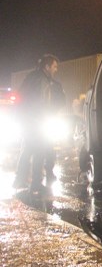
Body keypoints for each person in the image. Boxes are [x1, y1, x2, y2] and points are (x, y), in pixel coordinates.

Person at [13, 54, 66, 193]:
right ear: (47, 66)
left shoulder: (32, 77)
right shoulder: (42, 80)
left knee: (27, 150)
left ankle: (19, 180)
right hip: (37, 121)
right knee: (39, 151)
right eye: (54, 66)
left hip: (28, 121)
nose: (56, 69)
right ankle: (36, 183)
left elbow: (21, 98)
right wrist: (44, 118)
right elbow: (42, 103)